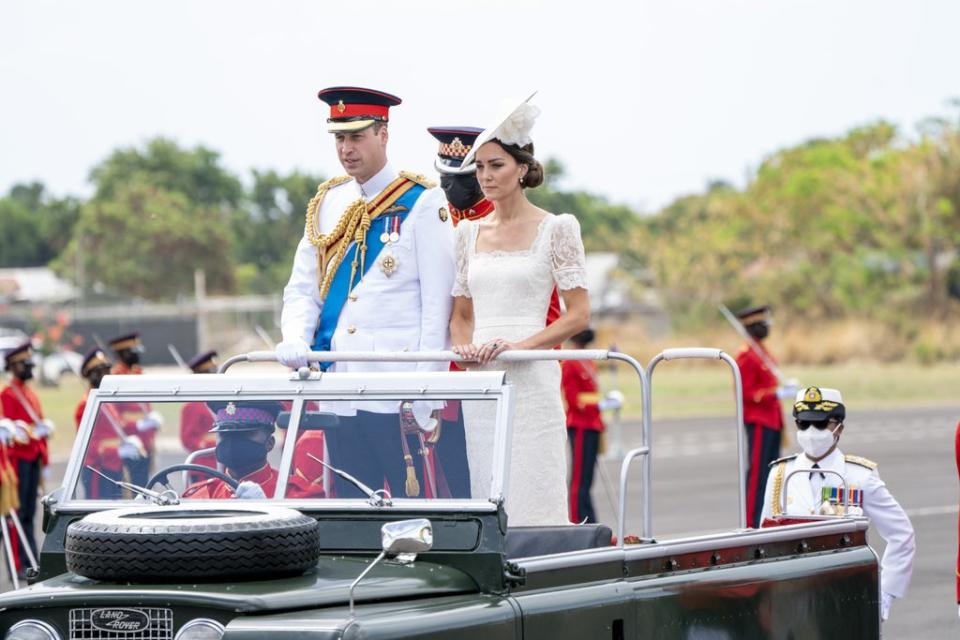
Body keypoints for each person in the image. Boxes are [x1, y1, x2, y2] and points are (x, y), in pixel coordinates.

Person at [275, 86, 453, 500]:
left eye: (357, 137)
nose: (347, 149)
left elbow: (437, 307)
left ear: (383, 135)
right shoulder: (327, 202)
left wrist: (426, 394)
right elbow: (302, 288)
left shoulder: (423, 202)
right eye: (340, 138)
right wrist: (296, 336)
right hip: (337, 388)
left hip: (395, 393)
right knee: (351, 509)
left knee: (413, 511)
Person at [450, 95, 591, 526]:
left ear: (523, 168)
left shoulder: (557, 227)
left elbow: (578, 314)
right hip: (483, 380)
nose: (485, 176)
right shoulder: (467, 233)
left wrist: (521, 347)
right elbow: (461, 316)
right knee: (489, 490)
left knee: (535, 486)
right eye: (480, 167)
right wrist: (465, 351)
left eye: (496, 165)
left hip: (532, 375)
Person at [429, 125, 564, 499]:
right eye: (446, 177)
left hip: (513, 369)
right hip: (455, 375)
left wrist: (525, 350)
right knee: (456, 488)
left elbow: (550, 310)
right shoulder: (439, 225)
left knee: (523, 484)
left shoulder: (532, 228)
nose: (453, 187)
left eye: (463, 176)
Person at [760, 386, 915, 622]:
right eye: (803, 423)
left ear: (839, 426)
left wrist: (884, 595)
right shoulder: (780, 473)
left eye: (821, 424)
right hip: (790, 598)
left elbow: (901, 534)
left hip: (844, 598)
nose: (811, 432)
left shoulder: (859, 476)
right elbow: (764, 540)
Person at [183, 401, 322, 500]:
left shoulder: (297, 495)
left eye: (244, 435)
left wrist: (269, 512)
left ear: (269, 443)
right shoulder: (201, 495)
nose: (232, 442)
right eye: (225, 434)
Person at [734, 305, 793, 529]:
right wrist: (774, 394)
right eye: (764, 324)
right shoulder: (746, 356)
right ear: (753, 327)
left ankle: (766, 517)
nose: (768, 327)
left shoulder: (761, 351)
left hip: (772, 419)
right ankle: (750, 522)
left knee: (771, 473)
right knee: (758, 475)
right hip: (759, 420)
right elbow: (746, 393)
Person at [1, 343, 51, 569]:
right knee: (19, 514)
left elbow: (36, 428)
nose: (29, 367)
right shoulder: (7, 395)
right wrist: (31, 432)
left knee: (30, 512)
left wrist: (44, 457)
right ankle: (20, 563)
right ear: (13, 366)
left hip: (32, 459)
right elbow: (10, 434)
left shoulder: (30, 393)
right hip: (18, 460)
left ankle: (30, 556)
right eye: (24, 363)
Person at [562, 328, 620, 524]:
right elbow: (573, 400)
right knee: (579, 481)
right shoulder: (570, 363)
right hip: (580, 425)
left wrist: (603, 403)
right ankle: (578, 520)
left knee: (587, 480)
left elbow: (591, 392)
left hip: (593, 424)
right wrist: (599, 405)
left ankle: (589, 519)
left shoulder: (587, 360)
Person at [74, 348, 142, 499]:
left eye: (106, 370)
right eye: (99, 371)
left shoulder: (106, 400)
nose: (105, 375)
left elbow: (117, 427)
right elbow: (89, 446)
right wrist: (116, 451)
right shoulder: (86, 404)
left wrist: (135, 432)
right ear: (90, 375)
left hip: (113, 465)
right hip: (98, 470)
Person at [108, 332, 162, 485]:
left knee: (144, 485)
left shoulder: (138, 373)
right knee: (132, 488)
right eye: (133, 352)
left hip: (144, 439)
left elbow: (146, 406)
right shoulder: (115, 377)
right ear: (123, 353)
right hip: (128, 440)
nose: (138, 355)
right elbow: (113, 415)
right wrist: (136, 424)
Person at [179, 351, 219, 476]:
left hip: (221, 464)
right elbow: (187, 439)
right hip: (202, 467)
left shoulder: (220, 400)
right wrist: (211, 444)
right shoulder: (192, 406)